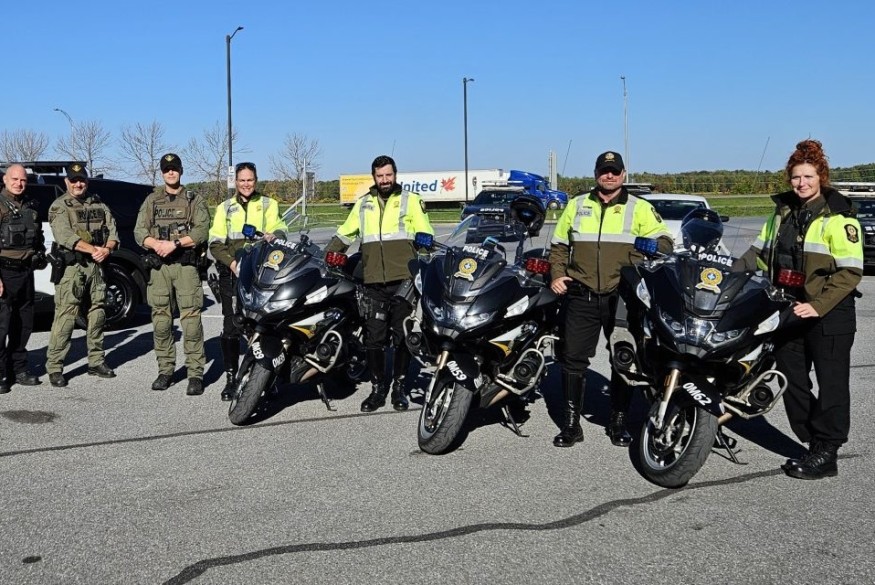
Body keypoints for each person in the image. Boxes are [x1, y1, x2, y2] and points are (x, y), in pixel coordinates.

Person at [733, 139, 862, 480]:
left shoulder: (840, 218)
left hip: (828, 313)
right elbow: (757, 253)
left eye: (808, 176)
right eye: (795, 177)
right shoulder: (783, 213)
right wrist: (724, 277)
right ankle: (812, 440)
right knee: (791, 380)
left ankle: (827, 450)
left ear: (821, 177)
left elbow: (850, 272)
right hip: (789, 308)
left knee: (832, 384)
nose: (801, 183)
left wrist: (817, 306)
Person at [548, 151, 673, 447]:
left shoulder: (639, 208)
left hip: (624, 297)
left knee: (624, 359)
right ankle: (570, 425)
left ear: (623, 174)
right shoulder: (577, 205)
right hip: (581, 294)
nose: (609, 176)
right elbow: (558, 245)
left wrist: (654, 246)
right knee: (573, 359)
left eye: (614, 171)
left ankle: (617, 423)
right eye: (604, 171)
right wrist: (556, 274)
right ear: (595, 173)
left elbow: (666, 242)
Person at [325, 155, 433, 412]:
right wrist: (327, 255)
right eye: (380, 176)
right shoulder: (363, 204)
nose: (385, 180)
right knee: (374, 337)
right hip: (372, 281)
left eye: (388, 175)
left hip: (403, 281)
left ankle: (399, 388)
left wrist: (424, 261)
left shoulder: (411, 201)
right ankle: (378, 389)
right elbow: (345, 233)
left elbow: (425, 234)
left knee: (402, 336)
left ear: (395, 174)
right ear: (373, 177)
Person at [209, 161, 287, 401]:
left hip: (262, 274)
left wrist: (277, 234)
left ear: (256, 180)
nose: (246, 184)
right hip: (231, 272)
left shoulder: (268, 204)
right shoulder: (225, 208)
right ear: (236, 182)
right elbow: (215, 242)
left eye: (250, 180)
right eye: (242, 180)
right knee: (232, 326)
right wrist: (233, 265)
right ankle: (232, 378)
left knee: (265, 325)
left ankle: (267, 378)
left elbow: (281, 229)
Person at [134, 154, 210, 395]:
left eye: (174, 169)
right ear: (162, 172)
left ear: (181, 171)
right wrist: (155, 244)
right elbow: (139, 232)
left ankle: (195, 374)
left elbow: (202, 230)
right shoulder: (152, 200)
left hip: (185, 266)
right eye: (167, 169)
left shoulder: (193, 199)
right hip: (160, 268)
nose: (171, 173)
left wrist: (175, 244)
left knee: (190, 322)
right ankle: (165, 370)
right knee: (161, 321)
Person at [45, 163, 119, 387]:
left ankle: (96, 361)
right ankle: (55, 366)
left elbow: (113, 232)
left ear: (87, 182)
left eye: (82, 180)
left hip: (97, 266)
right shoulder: (59, 207)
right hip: (72, 268)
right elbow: (64, 236)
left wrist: (106, 249)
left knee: (97, 312)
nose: (78, 184)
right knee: (66, 316)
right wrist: (93, 250)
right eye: (74, 180)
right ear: (66, 182)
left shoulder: (99, 205)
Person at [0, 164, 45, 393]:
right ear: (5, 180)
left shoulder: (30, 206)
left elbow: (37, 237)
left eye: (23, 180)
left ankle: (18, 369)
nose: (19, 183)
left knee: (23, 324)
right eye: (15, 179)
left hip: (26, 272)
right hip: (4, 272)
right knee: (1, 326)